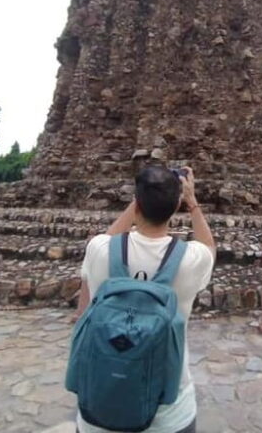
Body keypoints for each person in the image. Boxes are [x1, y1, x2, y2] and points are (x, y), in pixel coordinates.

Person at [76, 165, 215, 433]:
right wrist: (191, 201)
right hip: (169, 417)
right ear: (175, 208)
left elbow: (107, 238)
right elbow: (209, 247)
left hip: (98, 411)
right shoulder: (189, 260)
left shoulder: (98, 252)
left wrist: (140, 201)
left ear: (137, 204)